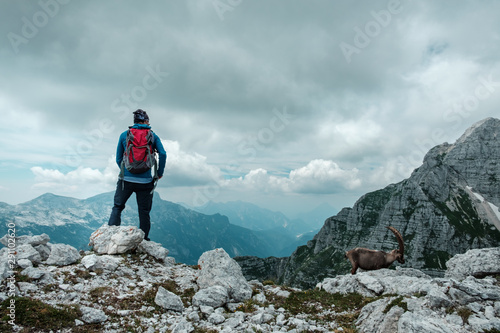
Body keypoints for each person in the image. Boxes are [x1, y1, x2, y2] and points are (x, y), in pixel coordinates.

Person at [108, 109, 167, 241]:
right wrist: (159, 173)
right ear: (146, 121)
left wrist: (126, 171)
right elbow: (163, 154)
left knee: (118, 207)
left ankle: (110, 236)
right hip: (146, 182)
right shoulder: (152, 136)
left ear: (134, 121)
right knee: (144, 212)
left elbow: (118, 158)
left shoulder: (125, 135)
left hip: (125, 180)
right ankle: (144, 239)